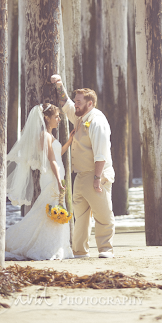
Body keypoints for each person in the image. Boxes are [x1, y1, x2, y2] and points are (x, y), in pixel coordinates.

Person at [51, 74, 115, 259]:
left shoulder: (96, 121)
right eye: (76, 101)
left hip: (97, 174)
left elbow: (101, 153)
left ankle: (105, 249)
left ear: (90, 104)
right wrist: (59, 85)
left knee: (103, 213)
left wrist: (97, 179)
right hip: (80, 175)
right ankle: (80, 251)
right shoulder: (79, 116)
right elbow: (66, 104)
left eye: (79, 102)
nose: (75, 104)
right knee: (80, 215)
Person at [5, 103, 75, 261]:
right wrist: (58, 180)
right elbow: (52, 161)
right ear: (46, 118)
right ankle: (46, 246)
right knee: (49, 208)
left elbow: (59, 153)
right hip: (52, 176)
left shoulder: (49, 135)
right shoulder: (44, 135)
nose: (59, 119)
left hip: (57, 174)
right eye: (56, 116)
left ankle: (57, 245)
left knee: (54, 207)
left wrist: (69, 141)